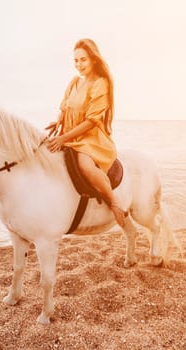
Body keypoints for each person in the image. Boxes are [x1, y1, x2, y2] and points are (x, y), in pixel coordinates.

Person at [47, 38, 128, 227]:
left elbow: (92, 121)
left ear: (93, 59)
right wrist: (58, 121)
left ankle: (113, 202)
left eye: (83, 60)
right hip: (68, 133)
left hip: (89, 138)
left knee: (85, 165)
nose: (78, 65)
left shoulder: (100, 84)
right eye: (75, 60)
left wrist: (64, 138)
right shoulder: (74, 82)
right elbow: (65, 107)